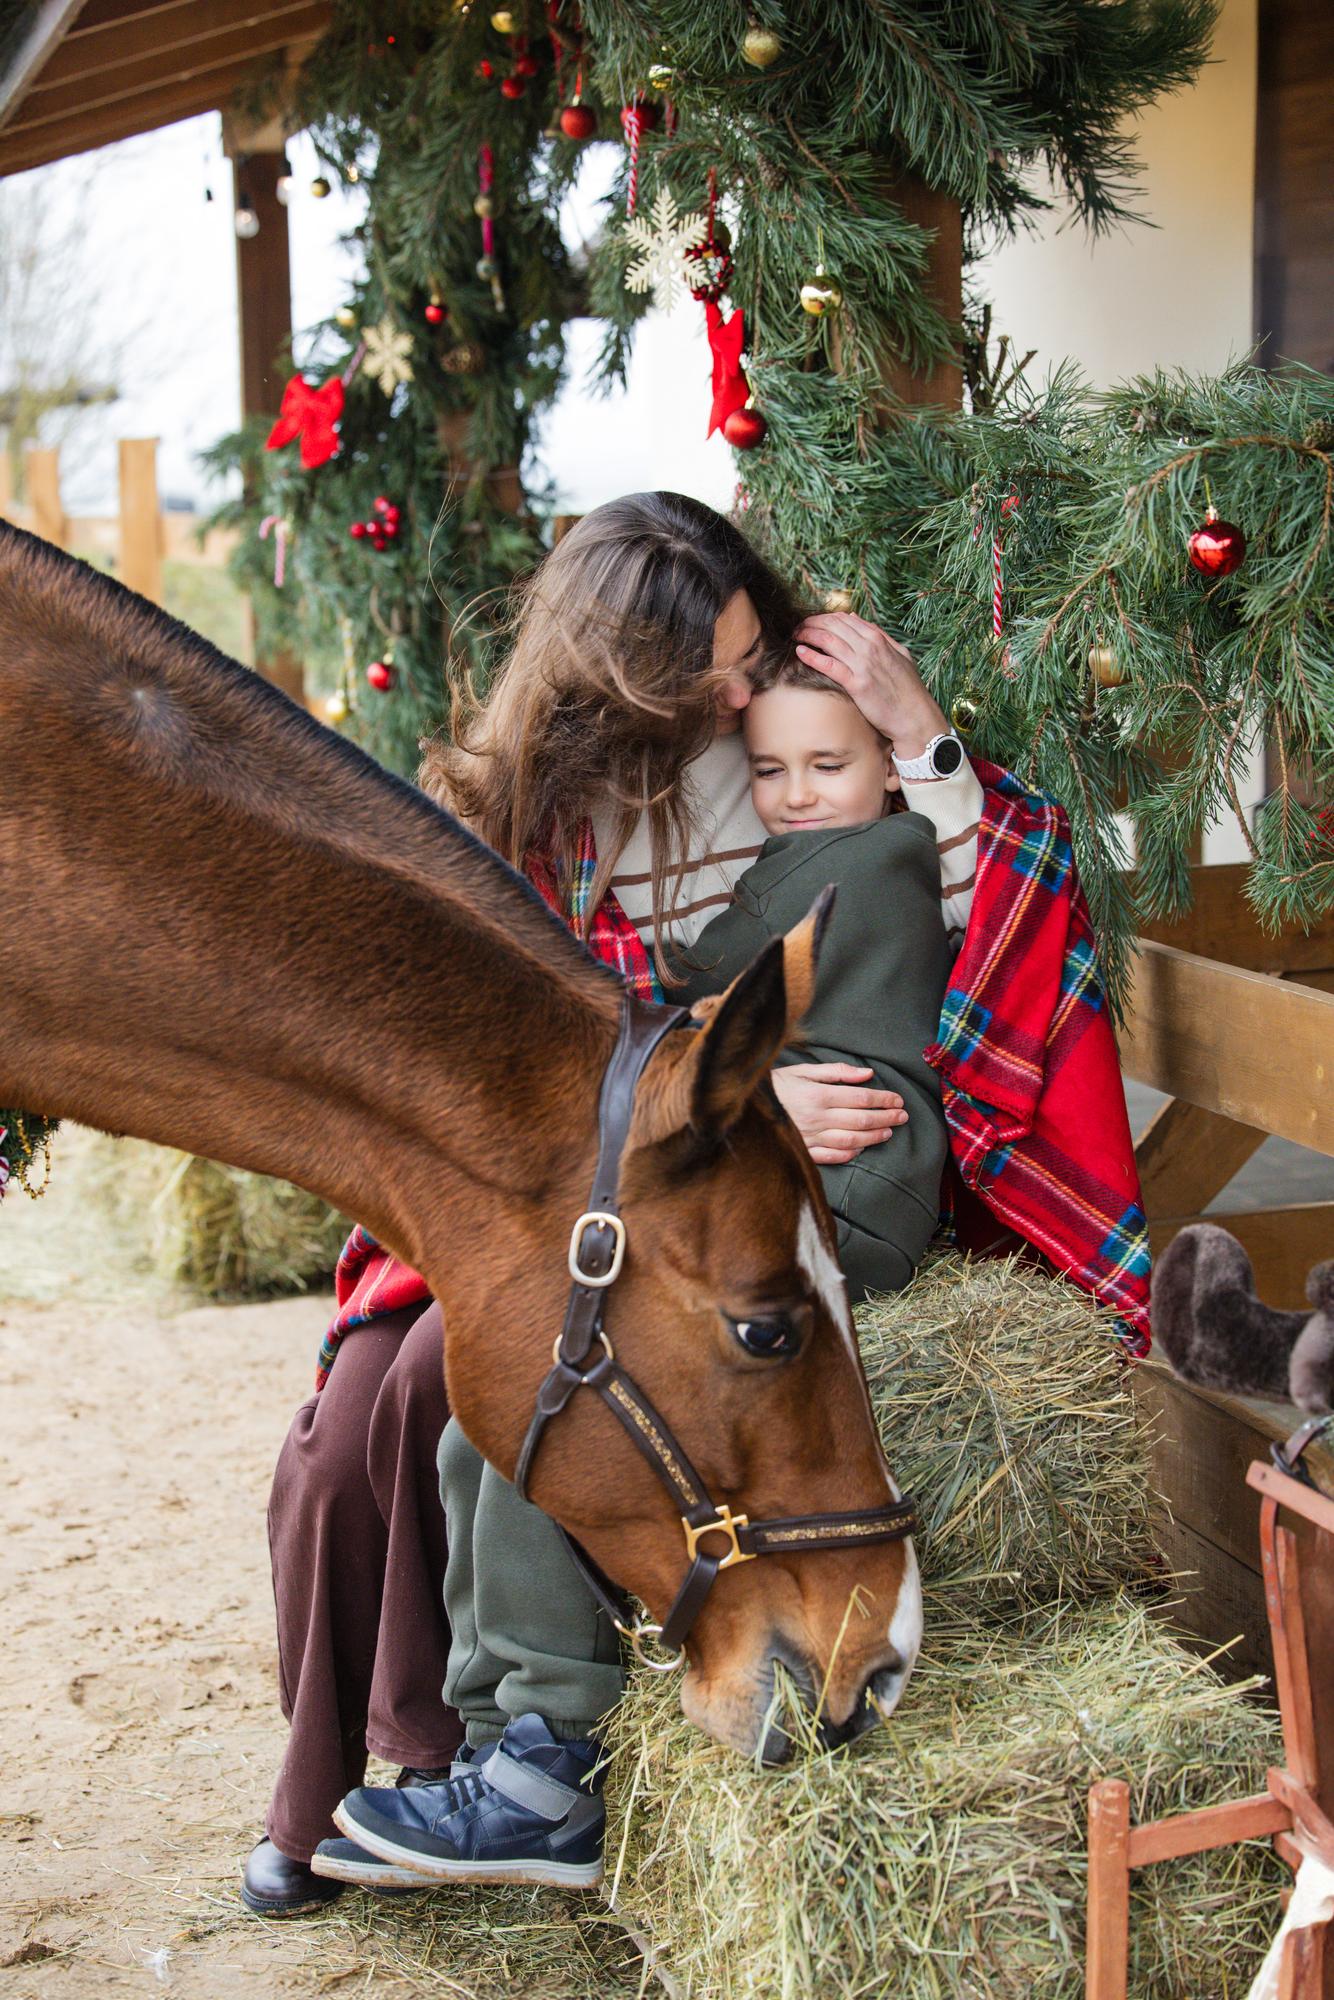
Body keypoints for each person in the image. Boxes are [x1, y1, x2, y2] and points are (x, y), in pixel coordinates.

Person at [243, 492, 983, 1913]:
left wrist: (921, 738)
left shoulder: (780, 760)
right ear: (607, 677)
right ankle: (338, 1787)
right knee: (349, 1436)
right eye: (701, 671)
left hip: (676, 1204)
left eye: (748, 652)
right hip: (520, 1182)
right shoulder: (502, 810)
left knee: (472, 1386)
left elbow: (943, 893)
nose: (734, 693)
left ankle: (505, 1760)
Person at [677, 654, 954, 1301]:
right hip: (892, 1193)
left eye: (828, 766)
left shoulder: (830, 870)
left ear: (890, 765)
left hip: (835, 1191)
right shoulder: (909, 855)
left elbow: (690, 982)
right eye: (769, 770)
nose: (797, 794)